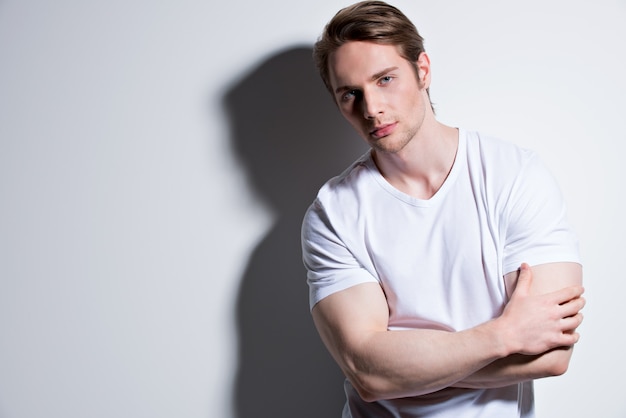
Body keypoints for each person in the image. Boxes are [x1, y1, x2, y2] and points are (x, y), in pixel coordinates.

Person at [300, 1, 585, 417]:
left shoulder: (514, 176)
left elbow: (550, 356)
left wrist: (404, 367)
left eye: (385, 79)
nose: (371, 108)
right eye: (350, 94)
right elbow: (368, 374)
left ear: (423, 70)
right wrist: (503, 335)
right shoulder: (333, 213)